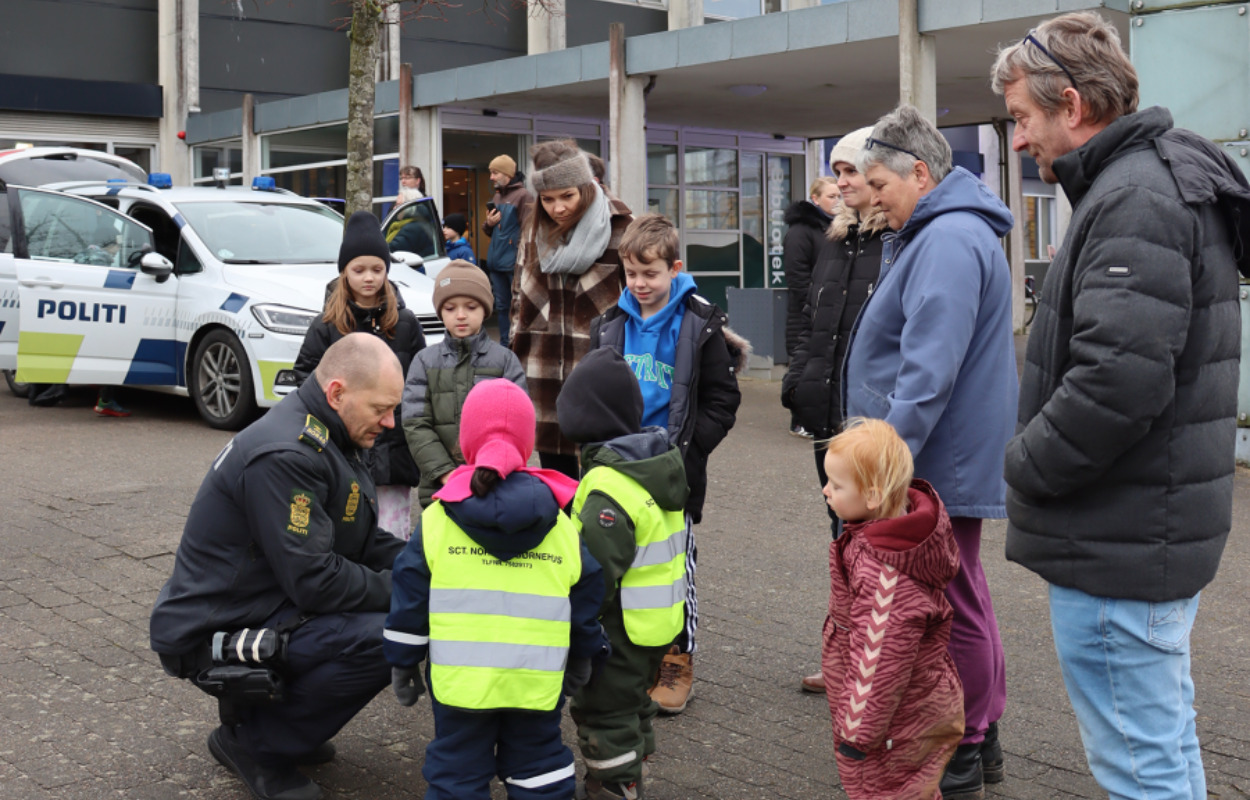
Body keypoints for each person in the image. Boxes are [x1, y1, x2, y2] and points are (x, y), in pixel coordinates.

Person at [991, 12, 1250, 800]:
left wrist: (1025, 465)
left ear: (1072, 105)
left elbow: (1117, 383)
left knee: (1142, 766)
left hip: (1120, 540)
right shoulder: (1147, 182)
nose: (1015, 140)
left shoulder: (1133, 198)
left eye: (1021, 119)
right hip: (1143, 529)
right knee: (1160, 742)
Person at [149, 333, 408, 800]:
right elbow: (317, 582)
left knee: (395, 614)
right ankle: (256, 745)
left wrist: (427, 569)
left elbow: (363, 539)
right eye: (381, 409)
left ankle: (273, 726)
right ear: (337, 392)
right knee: (388, 634)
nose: (390, 423)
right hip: (215, 630)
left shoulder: (328, 430)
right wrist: (411, 593)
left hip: (263, 603)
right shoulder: (288, 454)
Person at [845, 103, 1016, 799]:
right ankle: (983, 738)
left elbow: (927, 370)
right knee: (965, 594)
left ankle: (966, 750)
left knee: (953, 606)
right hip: (945, 457)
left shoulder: (945, 240)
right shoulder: (945, 231)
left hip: (933, 461)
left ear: (921, 174)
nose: (872, 201)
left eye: (879, 185)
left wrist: (884, 467)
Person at [384, 379, 609, 800]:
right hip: (536, 682)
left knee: (457, 773)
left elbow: (409, 596)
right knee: (539, 769)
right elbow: (585, 597)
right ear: (528, 446)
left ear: (465, 442)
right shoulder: (562, 525)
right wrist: (584, 654)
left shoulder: (438, 520)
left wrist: (402, 658)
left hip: (461, 684)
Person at [589, 213, 744, 715]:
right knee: (618, 567)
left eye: (650, 274)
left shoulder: (700, 323)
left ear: (675, 268)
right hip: (618, 470)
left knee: (673, 571)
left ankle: (677, 660)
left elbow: (722, 402)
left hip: (672, 472)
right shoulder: (609, 325)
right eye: (631, 274)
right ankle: (629, 661)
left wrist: (686, 454)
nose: (640, 284)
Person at [781, 126, 889, 693]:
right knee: (841, 541)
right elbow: (811, 320)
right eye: (837, 172)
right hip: (830, 417)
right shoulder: (833, 240)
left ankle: (878, 662)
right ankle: (844, 651)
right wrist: (797, 382)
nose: (841, 182)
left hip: (876, 423)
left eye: (851, 171)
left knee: (884, 547)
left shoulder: (898, 240)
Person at [557, 347, 690, 800]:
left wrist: (573, 625)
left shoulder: (607, 488)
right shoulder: (654, 466)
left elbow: (593, 571)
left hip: (619, 630)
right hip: (656, 626)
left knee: (604, 711)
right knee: (634, 702)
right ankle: (635, 764)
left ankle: (613, 785)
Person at [820, 418, 963, 800]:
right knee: (909, 788)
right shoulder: (880, 539)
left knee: (882, 790)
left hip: (894, 718)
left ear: (871, 496)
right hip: (904, 706)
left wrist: (857, 731)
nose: (826, 491)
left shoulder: (885, 573)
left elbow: (879, 655)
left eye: (836, 485)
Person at [295, 211, 427, 539]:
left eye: (377, 269)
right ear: (344, 273)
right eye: (359, 270)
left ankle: (391, 587)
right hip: (343, 449)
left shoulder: (406, 323)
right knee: (348, 532)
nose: (369, 277)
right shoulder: (326, 325)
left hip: (394, 452)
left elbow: (420, 380)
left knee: (393, 532)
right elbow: (305, 379)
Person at [511, 139, 632, 479]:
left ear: (586, 187)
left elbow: (647, 294)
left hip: (599, 371)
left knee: (604, 481)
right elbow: (519, 294)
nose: (557, 208)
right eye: (547, 199)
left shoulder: (622, 225)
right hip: (543, 370)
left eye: (567, 196)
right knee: (558, 483)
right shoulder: (534, 227)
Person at [402, 260, 526, 508]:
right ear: (440, 311)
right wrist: (445, 472)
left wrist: (489, 471)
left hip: (495, 484)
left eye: (470, 306)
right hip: (439, 487)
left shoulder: (505, 361)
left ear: (485, 309)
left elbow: (516, 423)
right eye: (450, 308)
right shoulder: (424, 362)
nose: (460, 315)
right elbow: (415, 422)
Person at [781, 176, 840, 439]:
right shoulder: (800, 231)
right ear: (815, 199)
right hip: (806, 313)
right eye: (831, 196)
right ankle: (799, 419)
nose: (837, 201)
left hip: (830, 311)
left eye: (839, 196)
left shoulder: (836, 228)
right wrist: (816, 305)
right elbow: (797, 276)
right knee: (803, 366)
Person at [482, 153, 534, 346]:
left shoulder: (524, 196)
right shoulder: (496, 196)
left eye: (495, 173)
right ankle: (505, 344)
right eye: (490, 173)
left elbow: (529, 232)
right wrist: (488, 224)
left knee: (518, 307)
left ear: (507, 174)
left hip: (513, 264)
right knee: (502, 307)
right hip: (495, 263)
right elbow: (490, 231)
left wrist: (520, 259)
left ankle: (518, 344)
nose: (491, 177)